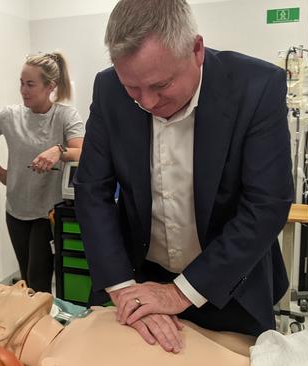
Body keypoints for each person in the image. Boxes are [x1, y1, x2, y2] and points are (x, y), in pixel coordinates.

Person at [74, 0, 293, 354]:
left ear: (196, 50)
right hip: (140, 275)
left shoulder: (256, 87)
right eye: (133, 88)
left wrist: (180, 292)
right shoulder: (109, 88)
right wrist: (121, 287)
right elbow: (92, 191)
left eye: (160, 85)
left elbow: (266, 205)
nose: (146, 102)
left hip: (228, 282)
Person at [0, 52, 85, 293]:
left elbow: (81, 152)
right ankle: (33, 324)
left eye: (30, 84)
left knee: (39, 279)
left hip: (48, 213)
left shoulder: (65, 115)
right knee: (27, 278)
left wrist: (58, 150)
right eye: (21, 83)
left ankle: (44, 326)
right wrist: (0, 172)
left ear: (50, 86)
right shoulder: (9, 115)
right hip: (16, 210)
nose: (24, 90)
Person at [0, 281, 255, 366]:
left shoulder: (96, 315)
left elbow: (206, 340)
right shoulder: (60, 362)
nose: (20, 282)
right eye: (2, 292)